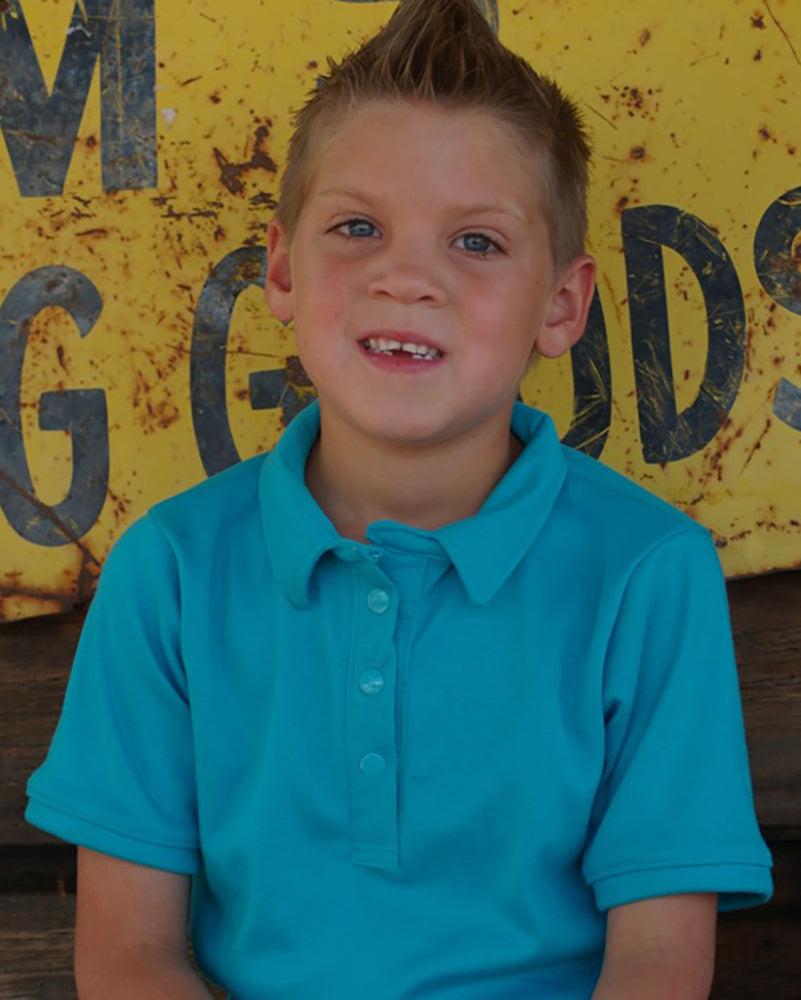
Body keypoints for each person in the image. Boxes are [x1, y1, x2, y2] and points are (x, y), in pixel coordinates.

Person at [26, 0, 772, 996]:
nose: (406, 276)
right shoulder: (170, 570)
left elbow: (659, 960)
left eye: (477, 242)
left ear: (562, 304)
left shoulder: (646, 572)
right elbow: (128, 953)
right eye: (358, 227)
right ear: (282, 269)